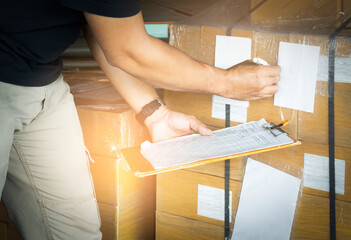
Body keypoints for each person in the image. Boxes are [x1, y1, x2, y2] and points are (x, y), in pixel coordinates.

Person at [0, 0, 280, 239]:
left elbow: (105, 30)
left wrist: (156, 113)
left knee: (74, 230)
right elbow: (127, 49)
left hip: (41, 82)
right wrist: (226, 82)